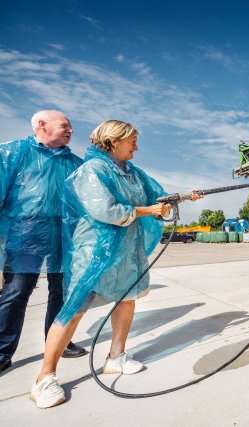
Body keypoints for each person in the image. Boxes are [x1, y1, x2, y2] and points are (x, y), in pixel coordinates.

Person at [31, 120, 202, 409]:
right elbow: (105, 210)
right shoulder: (93, 170)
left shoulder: (133, 173)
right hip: (95, 251)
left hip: (126, 250)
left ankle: (116, 357)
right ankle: (44, 378)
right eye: (132, 141)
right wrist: (149, 210)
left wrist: (182, 197)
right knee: (74, 310)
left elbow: (155, 199)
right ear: (113, 141)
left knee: (127, 299)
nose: (136, 146)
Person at [0, 111, 87, 376]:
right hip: (23, 235)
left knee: (61, 292)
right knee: (16, 292)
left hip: (64, 236)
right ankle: (2, 352)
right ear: (41, 125)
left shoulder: (75, 163)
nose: (71, 130)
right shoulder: (13, 152)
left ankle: (59, 340)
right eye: (65, 125)